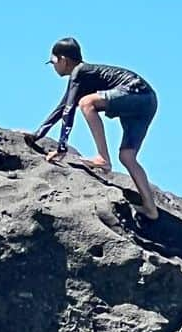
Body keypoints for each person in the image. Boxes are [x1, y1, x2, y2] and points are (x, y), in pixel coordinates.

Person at [31, 37, 160, 219]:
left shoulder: (80, 72)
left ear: (63, 60)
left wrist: (61, 148)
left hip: (136, 93)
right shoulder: (82, 75)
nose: (53, 67)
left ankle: (102, 157)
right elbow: (62, 108)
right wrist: (36, 135)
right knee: (127, 156)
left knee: (87, 102)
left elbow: (69, 110)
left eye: (53, 62)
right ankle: (150, 209)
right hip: (148, 100)